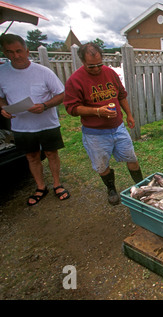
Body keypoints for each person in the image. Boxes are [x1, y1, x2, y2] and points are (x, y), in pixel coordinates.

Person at [64, 42, 143, 205]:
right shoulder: (75, 80)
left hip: (118, 127)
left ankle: (141, 186)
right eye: (91, 66)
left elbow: (121, 95)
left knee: (132, 158)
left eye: (99, 64)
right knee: (101, 166)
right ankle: (111, 189)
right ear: (82, 62)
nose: (97, 69)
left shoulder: (109, 72)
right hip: (95, 133)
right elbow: (71, 108)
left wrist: (129, 115)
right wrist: (98, 111)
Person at [0, 34, 70, 206]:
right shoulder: (2, 73)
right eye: (10, 52)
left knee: (51, 153)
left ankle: (57, 184)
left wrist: (45, 105)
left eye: (18, 51)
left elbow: (61, 94)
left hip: (46, 122)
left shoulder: (43, 72)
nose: (15, 56)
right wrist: (2, 108)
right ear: (4, 52)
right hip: (21, 125)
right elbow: (1, 97)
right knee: (31, 156)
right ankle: (40, 186)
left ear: (27, 51)